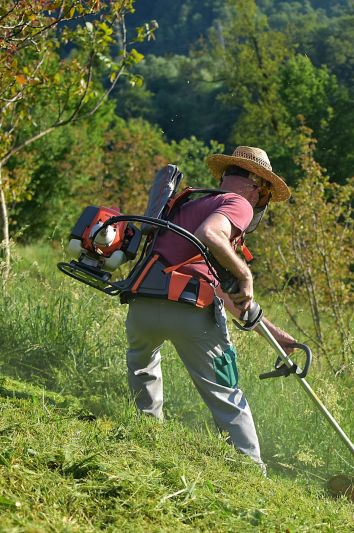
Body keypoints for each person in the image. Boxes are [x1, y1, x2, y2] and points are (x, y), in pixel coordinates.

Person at [124, 145, 295, 466]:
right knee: (226, 394)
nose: (260, 201)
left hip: (142, 306)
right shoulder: (238, 204)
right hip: (190, 310)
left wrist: (273, 334)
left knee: (143, 366)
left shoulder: (189, 205)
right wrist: (244, 272)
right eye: (264, 194)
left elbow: (221, 287)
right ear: (257, 186)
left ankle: (146, 438)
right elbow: (211, 234)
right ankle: (250, 471)